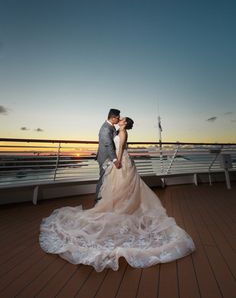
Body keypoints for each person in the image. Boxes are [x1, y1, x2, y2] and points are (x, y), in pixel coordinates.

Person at [39, 116, 195, 272]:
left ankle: (123, 209)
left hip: (122, 161)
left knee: (124, 187)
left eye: (123, 119)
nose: (120, 119)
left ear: (125, 123)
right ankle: (120, 207)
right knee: (119, 188)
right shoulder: (119, 130)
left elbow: (120, 149)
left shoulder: (123, 132)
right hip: (121, 161)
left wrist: (117, 162)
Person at [95, 108, 121, 203]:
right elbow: (108, 144)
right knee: (102, 179)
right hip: (105, 158)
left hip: (108, 157)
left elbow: (114, 139)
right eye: (118, 118)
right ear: (113, 118)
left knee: (108, 180)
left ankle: (105, 200)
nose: (119, 119)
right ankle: (97, 202)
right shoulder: (106, 128)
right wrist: (115, 160)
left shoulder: (111, 126)